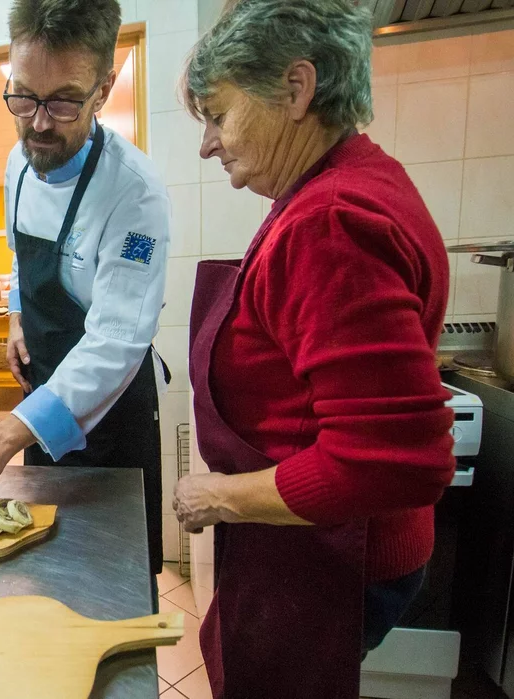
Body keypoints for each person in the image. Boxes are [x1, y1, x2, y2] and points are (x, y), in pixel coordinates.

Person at [171, 1, 456, 696]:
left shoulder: (330, 220)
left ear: (296, 89)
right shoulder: (348, 181)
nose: (207, 143)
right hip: (318, 542)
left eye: (217, 113)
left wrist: (221, 493)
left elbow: (387, 463)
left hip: (330, 555)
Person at [0, 0, 171, 576]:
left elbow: (116, 340)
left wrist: (8, 430)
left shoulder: (135, 195)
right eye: (23, 96)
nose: (37, 122)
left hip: (109, 408)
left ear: (104, 88)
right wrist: (15, 318)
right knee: (50, 560)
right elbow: (18, 255)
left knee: (113, 572)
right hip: (44, 397)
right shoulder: (17, 162)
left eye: (62, 101)